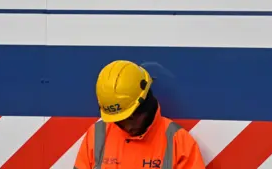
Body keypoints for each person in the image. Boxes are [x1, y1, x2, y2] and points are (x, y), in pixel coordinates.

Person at [74, 60, 206, 169]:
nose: (128, 127)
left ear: (146, 105)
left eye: (131, 117)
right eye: (120, 120)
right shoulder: (96, 137)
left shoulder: (179, 142)